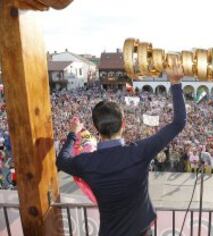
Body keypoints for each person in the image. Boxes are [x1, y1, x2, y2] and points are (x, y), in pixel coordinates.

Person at [56, 61, 186, 236]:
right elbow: (178, 123)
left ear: (96, 128)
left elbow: (61, 160)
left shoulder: (85, 163)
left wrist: (73, 134)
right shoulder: (139, 152)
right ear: (123, 124)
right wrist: (176, 83)